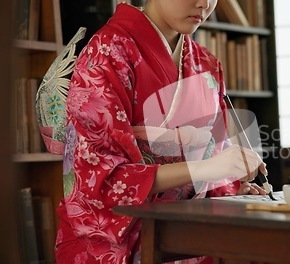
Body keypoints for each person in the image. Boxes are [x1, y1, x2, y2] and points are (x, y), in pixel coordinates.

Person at [54, 0, 268, 263]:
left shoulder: (206, 63)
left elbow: (214, 161)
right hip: (118, 240)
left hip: (188, 238)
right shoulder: (107, 50)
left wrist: (233, 187)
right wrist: (206, 169)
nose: (204, 4)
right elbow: (100, 177)